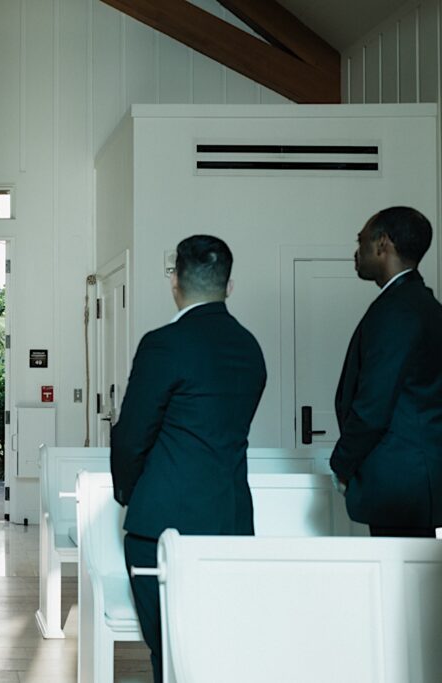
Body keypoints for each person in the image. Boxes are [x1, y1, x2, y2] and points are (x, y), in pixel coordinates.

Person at [111, 235, 266, 682]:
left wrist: (129, 494)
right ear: (229, 286)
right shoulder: (249, 348)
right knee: (216, 644)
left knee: (170, 652)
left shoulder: (164, 344)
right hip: (231, 519)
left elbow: (132, 436)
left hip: (162, 523)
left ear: (175, 281)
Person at [330, 207, 442, 537]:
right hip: (418, 480)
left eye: (360, 240)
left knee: (397, 583)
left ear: (383, 243)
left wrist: (342, 463)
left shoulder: (396, 310)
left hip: (398, 483)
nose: (356, 251)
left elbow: (374, 406)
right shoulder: (425, 305)